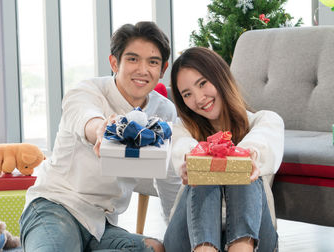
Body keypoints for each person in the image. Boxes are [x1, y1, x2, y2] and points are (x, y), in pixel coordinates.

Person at [19, 21, 181, 251]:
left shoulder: (164, 111)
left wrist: (180, 234)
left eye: (152, 62)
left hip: (101, 225)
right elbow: (85, 118)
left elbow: (168, 178)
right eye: (133, 59)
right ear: (114, 62)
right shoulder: (86, 91)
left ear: (163, 69)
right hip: (55, 207)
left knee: (154, 248)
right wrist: (103, 131)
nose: (143, 70)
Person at [163, 47, 284, 252]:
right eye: (187, 94)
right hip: (188, 241)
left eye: (202, 83)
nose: (200, 98)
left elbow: (261, 144)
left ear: (220, 77)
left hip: (255, 240)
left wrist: (243, 157)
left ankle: (240, 248)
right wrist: (195, 160)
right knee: (202, 163)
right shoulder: (180, 130)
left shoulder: (265, 121)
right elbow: (182, 148)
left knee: (241, 166)